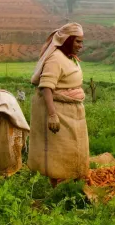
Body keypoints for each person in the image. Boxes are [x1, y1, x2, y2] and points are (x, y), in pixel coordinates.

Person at [28, 22, 89, 185]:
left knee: (74, 146)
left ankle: (73, 178)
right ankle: (59, 185)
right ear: (67, 41)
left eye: (82, 42)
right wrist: (52, 115)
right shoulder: (55, 59)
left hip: (71, 111)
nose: (80, 46)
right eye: (77, 42)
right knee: (59, 149)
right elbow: (47, 87)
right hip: (58, 110)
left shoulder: (69, 58)